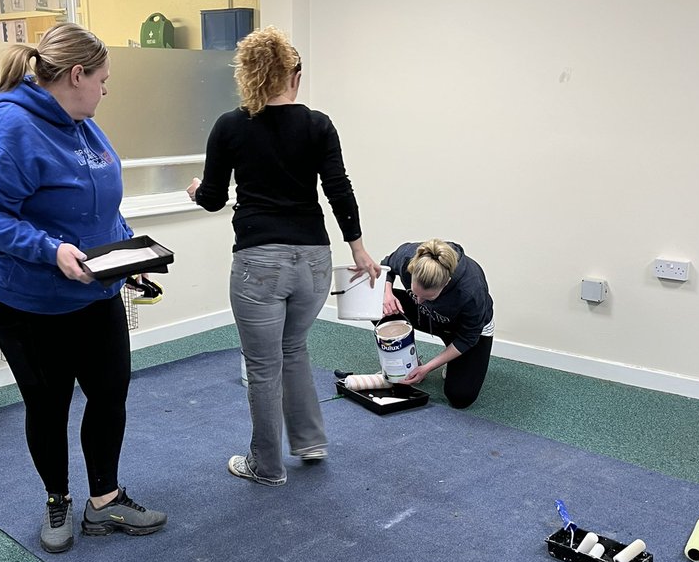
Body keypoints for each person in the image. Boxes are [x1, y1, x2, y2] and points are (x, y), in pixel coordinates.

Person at [0, 23, 167, 553]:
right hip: (26, 298)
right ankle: (58, 499)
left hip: (93, 289)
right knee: (48, 402)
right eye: (102, 78)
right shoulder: (8, 128)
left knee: (110, 389)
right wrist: (49, 250)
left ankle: (106, 499)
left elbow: (102, 206)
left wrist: (124, 254)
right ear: (76, 75)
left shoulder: (84, 125)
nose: (106, 88)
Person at [187, 25, 379, 486]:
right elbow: (338, 188)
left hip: (260, 264)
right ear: (293, 75)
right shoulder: (318, 124)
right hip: (313, 260)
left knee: (262, 366)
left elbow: (213, 198)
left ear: (248, 75)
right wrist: (358, 246)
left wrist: (196, 190)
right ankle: (310, 442)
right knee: (293, 348)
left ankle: (267, 465)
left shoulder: (230, 126)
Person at [381, 239, 494, 408]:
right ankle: (409, 361)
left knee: (460, 397)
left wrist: (427, 368)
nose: (418, 301)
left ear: (446, 283)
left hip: (465, 331)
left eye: (427, 297)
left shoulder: (471, 290)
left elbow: (467, 338)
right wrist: (386, 293)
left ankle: (450, 364)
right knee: (377, 304)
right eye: (415, 293)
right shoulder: (408, 256)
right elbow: (386, 266)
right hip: (431, 316)